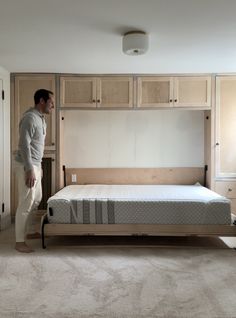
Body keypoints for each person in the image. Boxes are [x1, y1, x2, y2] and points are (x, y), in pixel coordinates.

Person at [14, 89, 54, 253]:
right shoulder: (30, 118)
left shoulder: (41, 119)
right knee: (26, 202)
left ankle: (29, 232)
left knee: (37, 199)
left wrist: (38, 168)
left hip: (35, 165)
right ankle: (19, 241)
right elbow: (24, 145)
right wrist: (30, 168)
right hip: (26, 165)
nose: (52, 105)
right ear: (42, 101)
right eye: (51, 102)